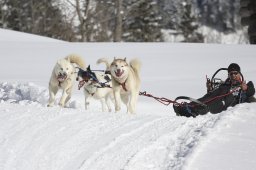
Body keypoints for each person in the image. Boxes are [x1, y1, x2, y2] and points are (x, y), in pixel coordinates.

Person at [174, 63, 255, 117]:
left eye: (235, 73)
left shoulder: (247, 83)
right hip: (221, 102)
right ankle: (188, 106)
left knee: (213, 104)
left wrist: (246, 88)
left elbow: (252, 92)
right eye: (231, 74)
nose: (233, 76)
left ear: (239, 73)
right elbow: (212, 96)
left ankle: (194, 110)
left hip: (232, 105)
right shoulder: (225, 85)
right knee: (211, 95)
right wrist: (209, 89)